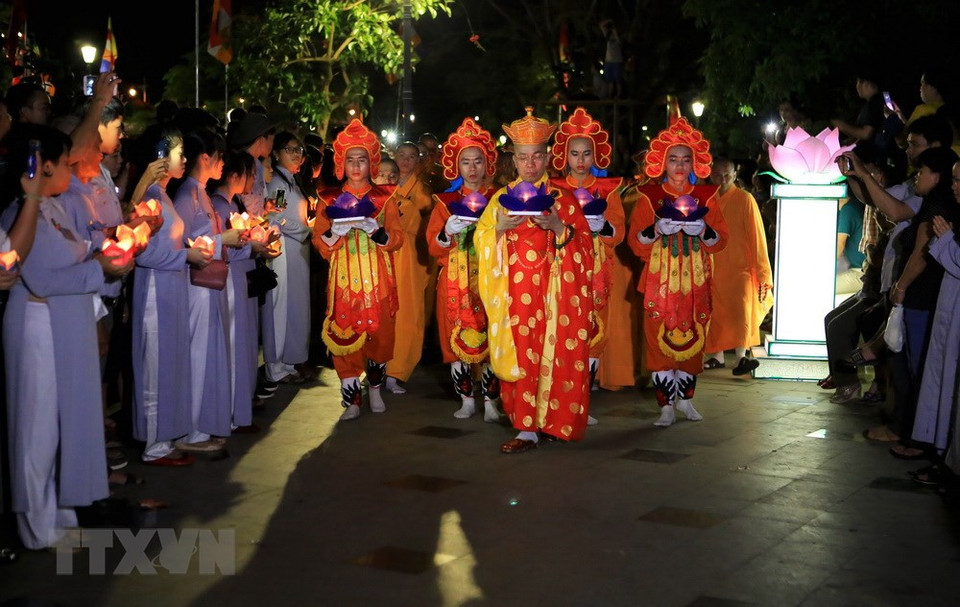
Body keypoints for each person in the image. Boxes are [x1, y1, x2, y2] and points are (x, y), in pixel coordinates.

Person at [1, 125, 131, 549]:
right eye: (64, 160)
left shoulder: (54, 208)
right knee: (35, 429)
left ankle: (58, 512)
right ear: (45, 166)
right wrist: (102, 270)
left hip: (63, 323)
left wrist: (110, 255)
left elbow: (78, 252)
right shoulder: (20, 214)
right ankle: (36, 527)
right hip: (38, 323)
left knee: (57, 425)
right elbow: (40, 277)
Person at [475, 106, 595, 453]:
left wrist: (559, 228)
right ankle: (526, 427)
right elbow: (480, 241)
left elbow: (586, 247)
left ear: (547, 159)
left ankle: (555, 422)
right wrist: (497, 230)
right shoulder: (499, 199)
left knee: (556, 353)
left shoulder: (563, 199)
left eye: (538, 157)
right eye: (524, 157)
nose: (531, 164)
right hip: (514, 293)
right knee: (522, 357)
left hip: (556, 294)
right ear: (514, 159)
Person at [627, 116, 728, 428]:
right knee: (658, 343)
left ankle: (686, 401)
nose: (680, 166)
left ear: (695, 162)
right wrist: (656, 229)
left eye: (686, 159)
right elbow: (635, 242)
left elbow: (721, 239)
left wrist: (704, 230)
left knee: (693, 339)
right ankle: (665, 407)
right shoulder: (648, 197)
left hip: (696, 284)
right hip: (659, 284)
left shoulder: (709, 196)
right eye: (673, 159)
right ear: (662, 162)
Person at [312, 118, 403, 421]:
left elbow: (397, 237)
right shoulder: (328, 198)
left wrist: (377, 232)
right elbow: (320, 242)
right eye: (350, 159)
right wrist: (334, 234)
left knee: (379, 336)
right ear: (341, 163)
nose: (355, 165)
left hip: (377, 280)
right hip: (343, 282)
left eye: (361, 159)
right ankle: (351, 400)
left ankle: (375, 390)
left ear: (371, 163)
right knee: (343, 336)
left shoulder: (385, 197)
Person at [131, 128, 207, 466]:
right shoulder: (149, 196)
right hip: (155, 292)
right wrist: (185, 257)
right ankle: (153, 443)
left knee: (168, 364)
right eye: (179, 153)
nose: (185, 159)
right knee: (154, 368)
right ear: (162, 157)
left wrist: (188, 251)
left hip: (171, 288)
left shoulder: (162, 195)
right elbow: (142, 254)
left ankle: (165, 436)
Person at [885, 147, 960, 460]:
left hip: (932, 302)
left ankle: (929, 446)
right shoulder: (937, 205)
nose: (955, 186)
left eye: (923, 170)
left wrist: (901, 286)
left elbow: (922, 254)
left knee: (926, 374)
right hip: (940, 302)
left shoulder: (940, 207)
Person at [173, 127, 243, 454]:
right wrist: (221, 241)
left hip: (209, 283)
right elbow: (181, 242)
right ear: (206, 158)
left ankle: (204, 423)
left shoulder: (199, 191)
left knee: (209, 351)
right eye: (219, 157)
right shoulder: (187, 194)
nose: (222, 164)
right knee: (197, 352)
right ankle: (191, 430)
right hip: (196, 287)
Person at [549, 107, 626, 402]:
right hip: (562, 269)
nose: (580, 161)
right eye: (575, 154)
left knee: (594, 333)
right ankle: (560, 396)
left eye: (586, 154)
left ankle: (582, 398)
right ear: (564, 156)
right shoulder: (553, 189)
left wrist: (602, 225)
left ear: (596, 156)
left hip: (596, 271)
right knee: (562, 329)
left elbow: (618, 233)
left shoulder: (608, 190)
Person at [426, 117, 501, 421]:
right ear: (456, 167)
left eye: (477, 161)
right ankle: (467, 399)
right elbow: (432, 246)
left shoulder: (499, 199)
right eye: (466, 162)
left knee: (491, 338)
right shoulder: (444, 202)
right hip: (454, 283)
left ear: (487, 164)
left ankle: (492, 402)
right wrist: (447, 230)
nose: (472, 168)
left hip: (490, 279)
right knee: (454, 341)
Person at [210, 149, 278, 433]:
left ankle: (241, 409)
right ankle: (234, 414)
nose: (254, 179)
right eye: (251, 174)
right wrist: (253, 245)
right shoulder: (220, 205)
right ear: (236, 176)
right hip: (231, 282)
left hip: (242, 278)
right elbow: (223, 247)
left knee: (246, 345)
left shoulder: (232, 203)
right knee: (236, 346)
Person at [908, 160, 960, 485]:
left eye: (957, 180)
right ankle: (942, 457)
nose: (954, 186)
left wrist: (946, 242)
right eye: (953, 179)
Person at [702, 157, 772, 375]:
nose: (722, 180)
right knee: (714, 312)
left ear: (734, 175)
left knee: (741, 312)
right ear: (710, 175)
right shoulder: (705, 200)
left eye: (727, 176)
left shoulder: (745, 199)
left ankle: (742, 357)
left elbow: (757, 237)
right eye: (717, 176)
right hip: (712, 266)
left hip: (740, 267)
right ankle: (717, 356)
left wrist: (762, 271)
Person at [260, 132, 314, 387]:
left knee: (295, 306)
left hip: (297, 252)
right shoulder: (278, 184)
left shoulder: (291, 180)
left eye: (299, 149)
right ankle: (277, 365)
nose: (296, 154)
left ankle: (290, 361)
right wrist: (304, 230)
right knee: (281, 308)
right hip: (285, 250)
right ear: (276, 153)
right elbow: (274, 217)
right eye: (289, 149)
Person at [383, 141, 433, 394]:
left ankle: (398, 371)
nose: (404, 161)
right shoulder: (381, 182)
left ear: (418, 161)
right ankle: (377, 366)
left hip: (409, 257)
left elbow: (425, 219)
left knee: (407, 313)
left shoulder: (422, 189)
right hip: (383, 255)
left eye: (411, 157)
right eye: (401, 155)